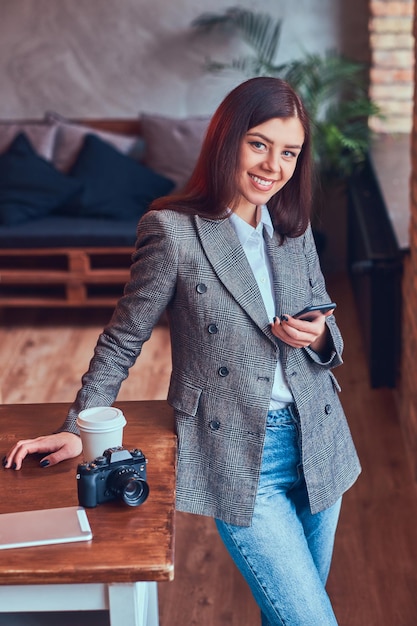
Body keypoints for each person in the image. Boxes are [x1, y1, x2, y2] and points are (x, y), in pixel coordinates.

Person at [3, 77, 361, 625]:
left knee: (286, 614)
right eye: (260, 144)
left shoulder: (295, 228)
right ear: (227, 139)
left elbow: (325, 319)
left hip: (320, 440)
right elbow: (124, 337)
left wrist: (318, 333)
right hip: (242, 457)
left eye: (289, 152)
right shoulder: (172, 232)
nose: (274, 165)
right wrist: (77, 427)